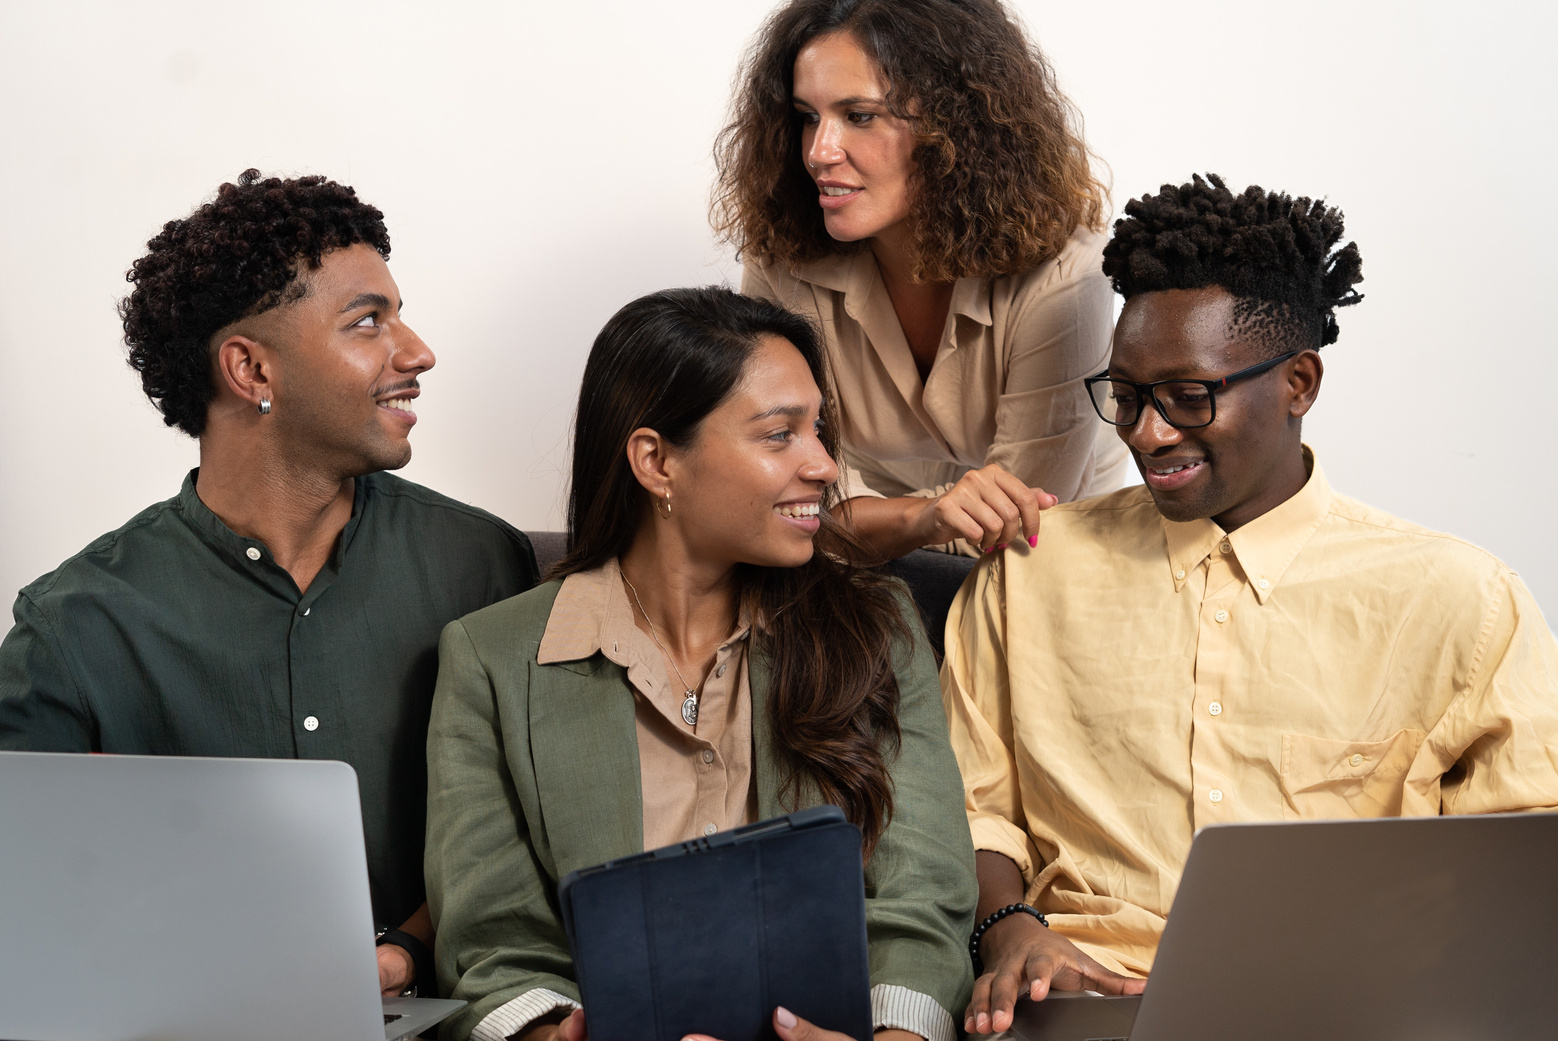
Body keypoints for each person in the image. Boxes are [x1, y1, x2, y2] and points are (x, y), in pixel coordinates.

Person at [941, 174, 1558, 1033]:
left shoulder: (1461, 601)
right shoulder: (1026, 575)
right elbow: (969, 805)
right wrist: (1011, 930)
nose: (1147, 433)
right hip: (1086, 1004)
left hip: (1351, 1014)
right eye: (1125, 396)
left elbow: (1524, 862)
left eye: (1188, 396)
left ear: (1298, 382)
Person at [0, 170, 538, 998]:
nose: (417, 351)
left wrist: (397, 952)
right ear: (251, 370)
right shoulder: (75, 630)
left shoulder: (484, 565)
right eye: (369, 322)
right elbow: (29, 918)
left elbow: (540, 820)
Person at [425, 287, 976, 1041]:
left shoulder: (878, 628)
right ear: (656, 462)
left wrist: (895, 1037)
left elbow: (924, 898)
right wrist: (551, 1034)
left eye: (818, 428)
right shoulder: (491, 659)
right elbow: (492, 940)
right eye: (779, 434)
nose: (823, 464)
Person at [714, 0, 1129, 562]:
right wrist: (918, 517)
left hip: (1050, 555)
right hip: (848, 554)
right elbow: (774, 484)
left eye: (859, 116)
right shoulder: (783, 256)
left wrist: (858, 517)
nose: (819, 151)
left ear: (955, 129)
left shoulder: (1066, 278)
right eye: (808, 116)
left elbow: (1020, 515)